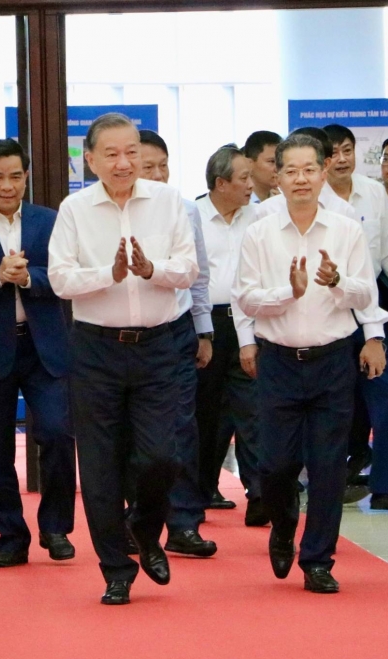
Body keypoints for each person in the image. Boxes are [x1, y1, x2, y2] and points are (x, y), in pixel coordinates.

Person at [48, 113, 198, 605]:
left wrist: (151, 269)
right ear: (89, 160)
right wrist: (108, 274)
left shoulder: (168, 201)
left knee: (162, 456)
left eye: (131, 152)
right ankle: (116, 568)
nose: (123, 162)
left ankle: (145, 529)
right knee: (99, 467)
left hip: (158, 346)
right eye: (111, 154)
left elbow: (189, 268)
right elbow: (60, 280)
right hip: (96, 350)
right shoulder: (74, 209)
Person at [234, 133, 381, 593]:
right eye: (291, 171)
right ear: (277, 177)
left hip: (332, 359)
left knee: (328, 465)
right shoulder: (259, 232)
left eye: (309, 170)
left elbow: (366, 293)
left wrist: (337, 282)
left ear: (323, 173)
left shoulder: (346, 229)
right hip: (278, 361)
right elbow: (246, 298)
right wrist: (289, 292)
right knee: (275, 465)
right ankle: (283, 525)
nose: (301, 179)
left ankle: (318, 558)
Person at [0, 139, 77, 567]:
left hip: (43, 345)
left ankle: (55, 527)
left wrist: (28, 278)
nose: (6, 185)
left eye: (14, 176)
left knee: (58, 435)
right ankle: (11, 535)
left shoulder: (49, 220)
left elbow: (65, 277)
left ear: (26, 177)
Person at [321, 124, 388, 511]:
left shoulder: (374, 192)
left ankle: (384, 487)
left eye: (348, 150)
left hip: (372, 298)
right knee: (335, 401)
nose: (342, 159)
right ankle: (332, 481)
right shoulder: (314, 196)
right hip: (327, 303)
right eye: (333, 152)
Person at [136, 130, 220, 555]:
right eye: (147, 167)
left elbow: (199, 276)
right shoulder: (113, 213)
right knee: (134, 432)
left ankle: (184, 523)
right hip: (127, 334)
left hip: (177, 330)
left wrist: (204, 330)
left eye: (162, 166)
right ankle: (136, 519)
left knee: (183, 425)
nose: (157, 174)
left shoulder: (186, 210)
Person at [194, 145, 267, 526]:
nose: (251, 185)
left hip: (250, 322)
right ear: (221, 183)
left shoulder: (260, 216)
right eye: (244, 178)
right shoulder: (193, 216)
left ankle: (259, 494)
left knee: (252, 410)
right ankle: (199, 490)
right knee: (205, 414)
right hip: (206, 325)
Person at [243, 130, 282, 203]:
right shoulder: (238, 204)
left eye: (280, 162)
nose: (278, 169)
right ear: (249, 164)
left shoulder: (281, 201)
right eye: (271, 161)